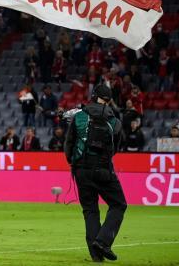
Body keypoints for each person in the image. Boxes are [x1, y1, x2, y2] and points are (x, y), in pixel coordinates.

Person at [64, 84, 126, 262]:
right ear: (109, 100)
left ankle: (96, 255)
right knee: (118, 205)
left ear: (93, 96)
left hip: (81, 169)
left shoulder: (79, 116)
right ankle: (103, 242)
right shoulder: (115, 121)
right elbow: (116, 147)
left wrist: (74, 163)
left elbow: (69, 143)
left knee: (90, 209)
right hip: (103, 169)